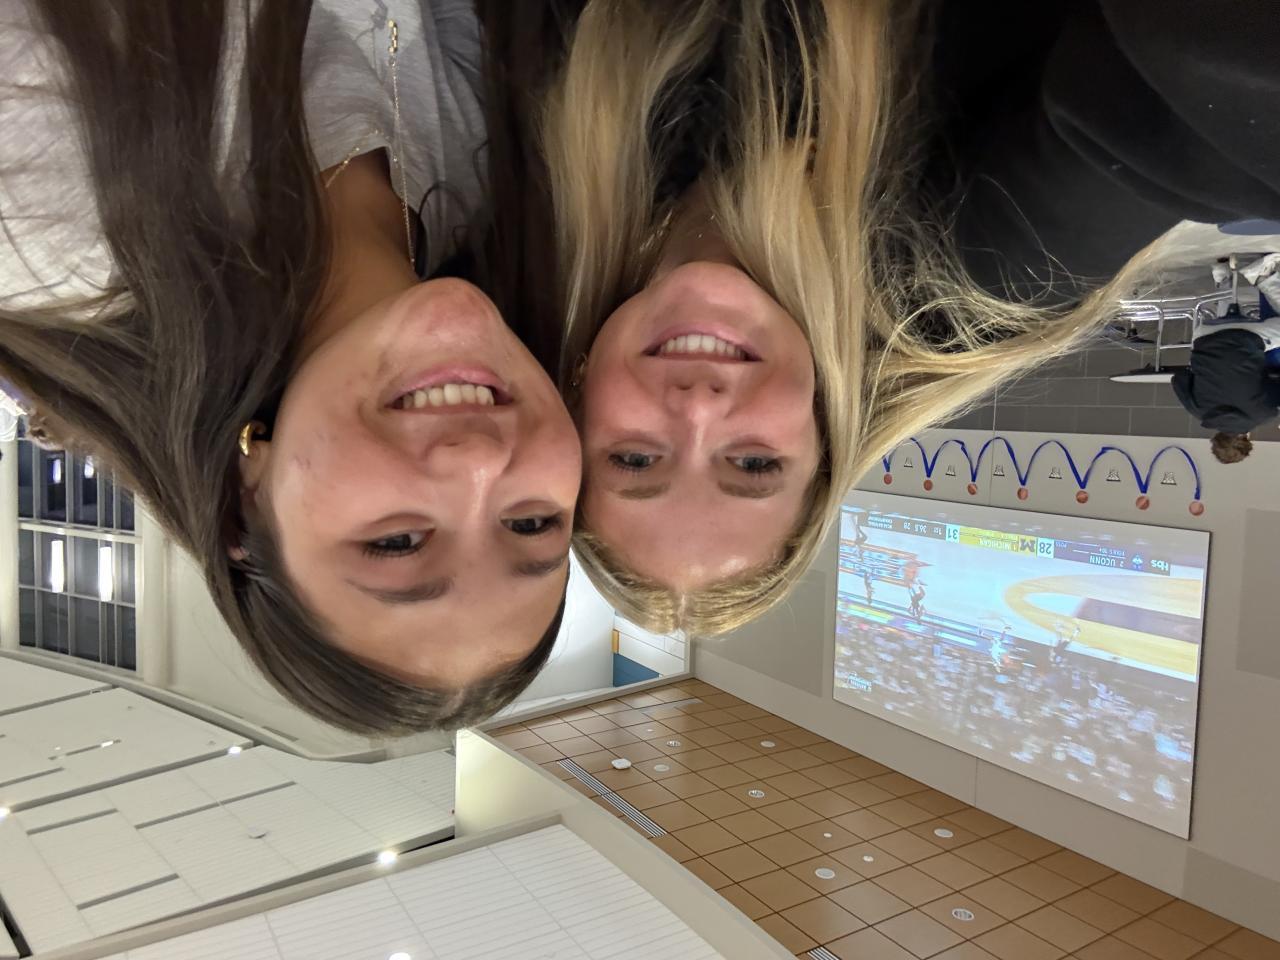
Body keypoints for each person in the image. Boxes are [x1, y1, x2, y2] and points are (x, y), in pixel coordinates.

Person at [523, 0, 1280, 637]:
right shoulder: (967, 279)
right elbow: (1193, 98)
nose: (697, 411)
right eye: (754, 466)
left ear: (577, 401)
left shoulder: (566, 182)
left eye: (635, 460)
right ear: (824, 438)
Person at [0, 1, 582, 733]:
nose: (478, 463)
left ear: (247, 501)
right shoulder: (491, 169)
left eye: (395, 544)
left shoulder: (53, 229)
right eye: (531, 523)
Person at [1171, 315, 1280, 464]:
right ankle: (1227, 304)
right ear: (1217, 438)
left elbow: (1274, 383)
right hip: (1205, 335)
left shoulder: (1264, 415)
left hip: (1248, 336)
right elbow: (1178, 378)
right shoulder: (1198, 411)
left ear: (1246, 439)